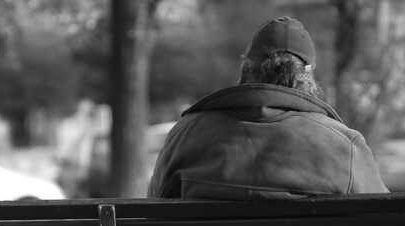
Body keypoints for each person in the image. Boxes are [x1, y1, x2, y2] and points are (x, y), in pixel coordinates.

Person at [148, 17, 388, 200]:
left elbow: (155, 215)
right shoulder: (344, 146)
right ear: (308, 78)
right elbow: (384, 221)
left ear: (246, 69)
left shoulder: (186, 135)